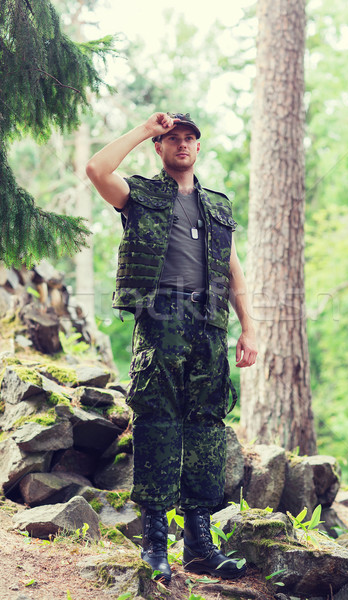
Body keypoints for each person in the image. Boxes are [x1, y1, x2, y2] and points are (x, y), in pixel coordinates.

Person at [86, 111, 258, 584]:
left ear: (198, 149)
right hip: (161, 321)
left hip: (208, 325)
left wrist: (249, 329)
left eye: (189, 139)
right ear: (160, 149)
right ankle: (156, 545)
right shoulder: (138, 195)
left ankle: (200, 546)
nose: (182, 144)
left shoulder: (217, 207)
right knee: (158, 423)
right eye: (173, 138)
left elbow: (233, 269)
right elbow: (97, 170)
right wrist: (145, 128)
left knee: (205, 428)